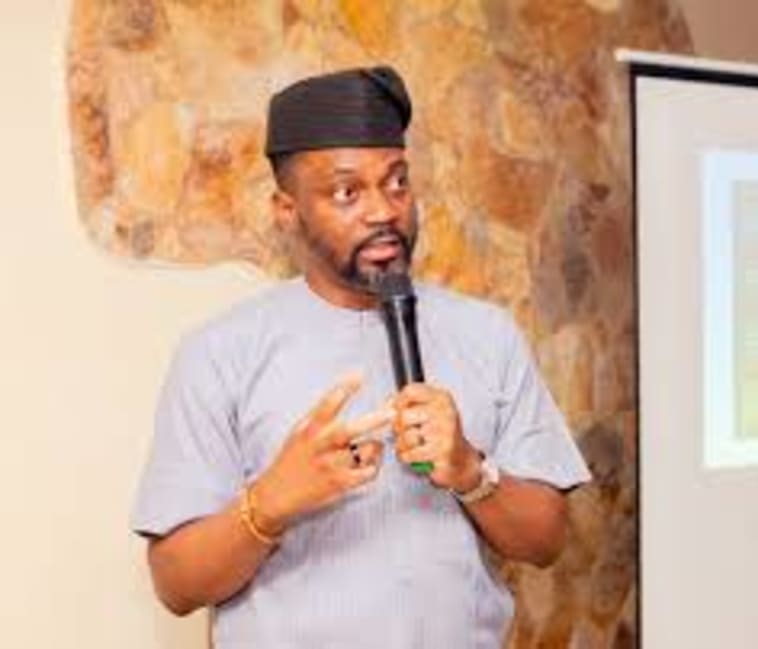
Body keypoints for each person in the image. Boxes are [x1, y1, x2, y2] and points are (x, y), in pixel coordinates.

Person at [132, 65, 591, 649]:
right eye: (347, 192)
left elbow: (546, 540)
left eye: (397, 183)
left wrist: (473, 472)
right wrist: (273, 501)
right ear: (286, 210)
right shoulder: (219, 354)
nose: (384, 211)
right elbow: (175, 583)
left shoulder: (487, 335)